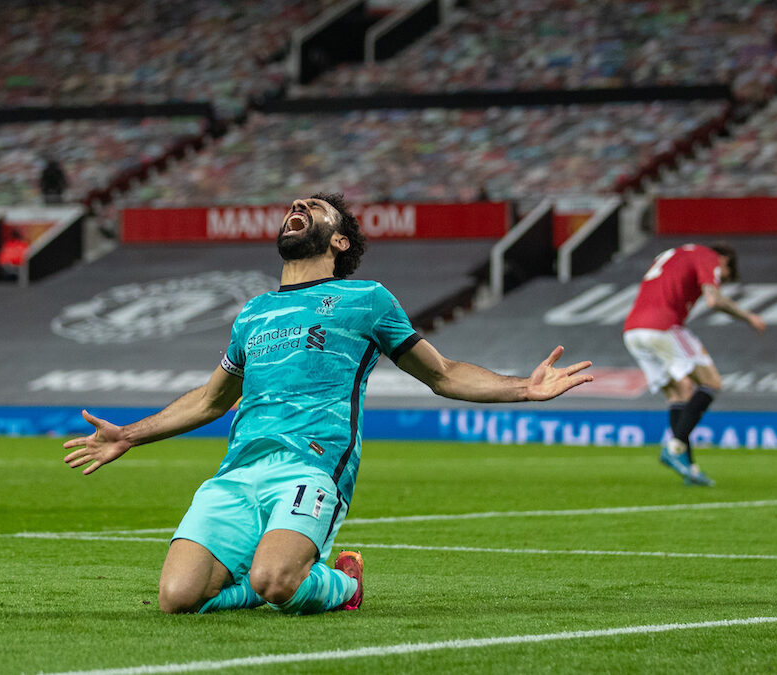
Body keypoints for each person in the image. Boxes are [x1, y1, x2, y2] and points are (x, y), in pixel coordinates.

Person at [63, 193, 594, 615]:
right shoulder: (252, 313)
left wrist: (525, 387)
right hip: (237, 472)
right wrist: (129, 434)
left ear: (338, 240)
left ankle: (342, 582)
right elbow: (209, 400)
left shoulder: (368, 301)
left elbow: (444, 374)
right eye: (294, 205)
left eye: (313, 208)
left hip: (312, 466)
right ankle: (266, 578)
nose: (298, 208)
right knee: (176, 599)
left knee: (277, 583)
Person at [623, 243, 766, 487]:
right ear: (723, 260)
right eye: (725, 273)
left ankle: (688, 468)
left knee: (679, 393)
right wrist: (748, 317)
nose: (720, 277)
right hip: (663, 326)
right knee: (711, 382)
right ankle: (674, 447)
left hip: (633, 331)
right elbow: (713, 299)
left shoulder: (672, 254)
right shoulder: (707, 256)